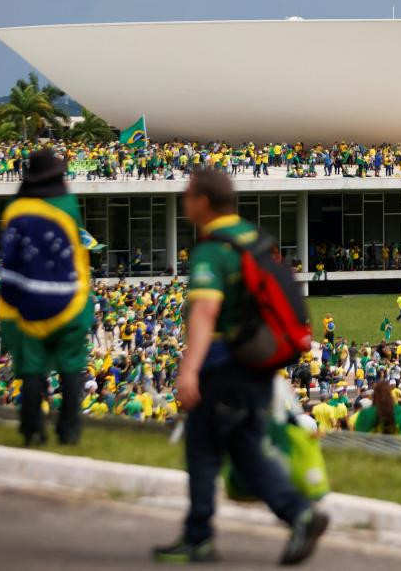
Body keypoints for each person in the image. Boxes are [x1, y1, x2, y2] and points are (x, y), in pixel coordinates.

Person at [154, 168, 327, 565]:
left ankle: (199, 536)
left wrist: (188, 370)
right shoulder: (254, 239)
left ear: (203, 201)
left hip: (223, 364)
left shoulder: (213, 249)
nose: (184, 203)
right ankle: (299, 514)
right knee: (246, 445)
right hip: (256, 363)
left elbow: (204, 311)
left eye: (188, 196)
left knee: (202, 450)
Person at [0, 149, 93, 447]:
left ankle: (32, 429)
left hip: (30, 301)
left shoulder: (14, 209)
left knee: (32, 368)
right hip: (69, 301)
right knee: (71, 367)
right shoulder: (68, 204)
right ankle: (69, 431)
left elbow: (9, 259)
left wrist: (11, 302)